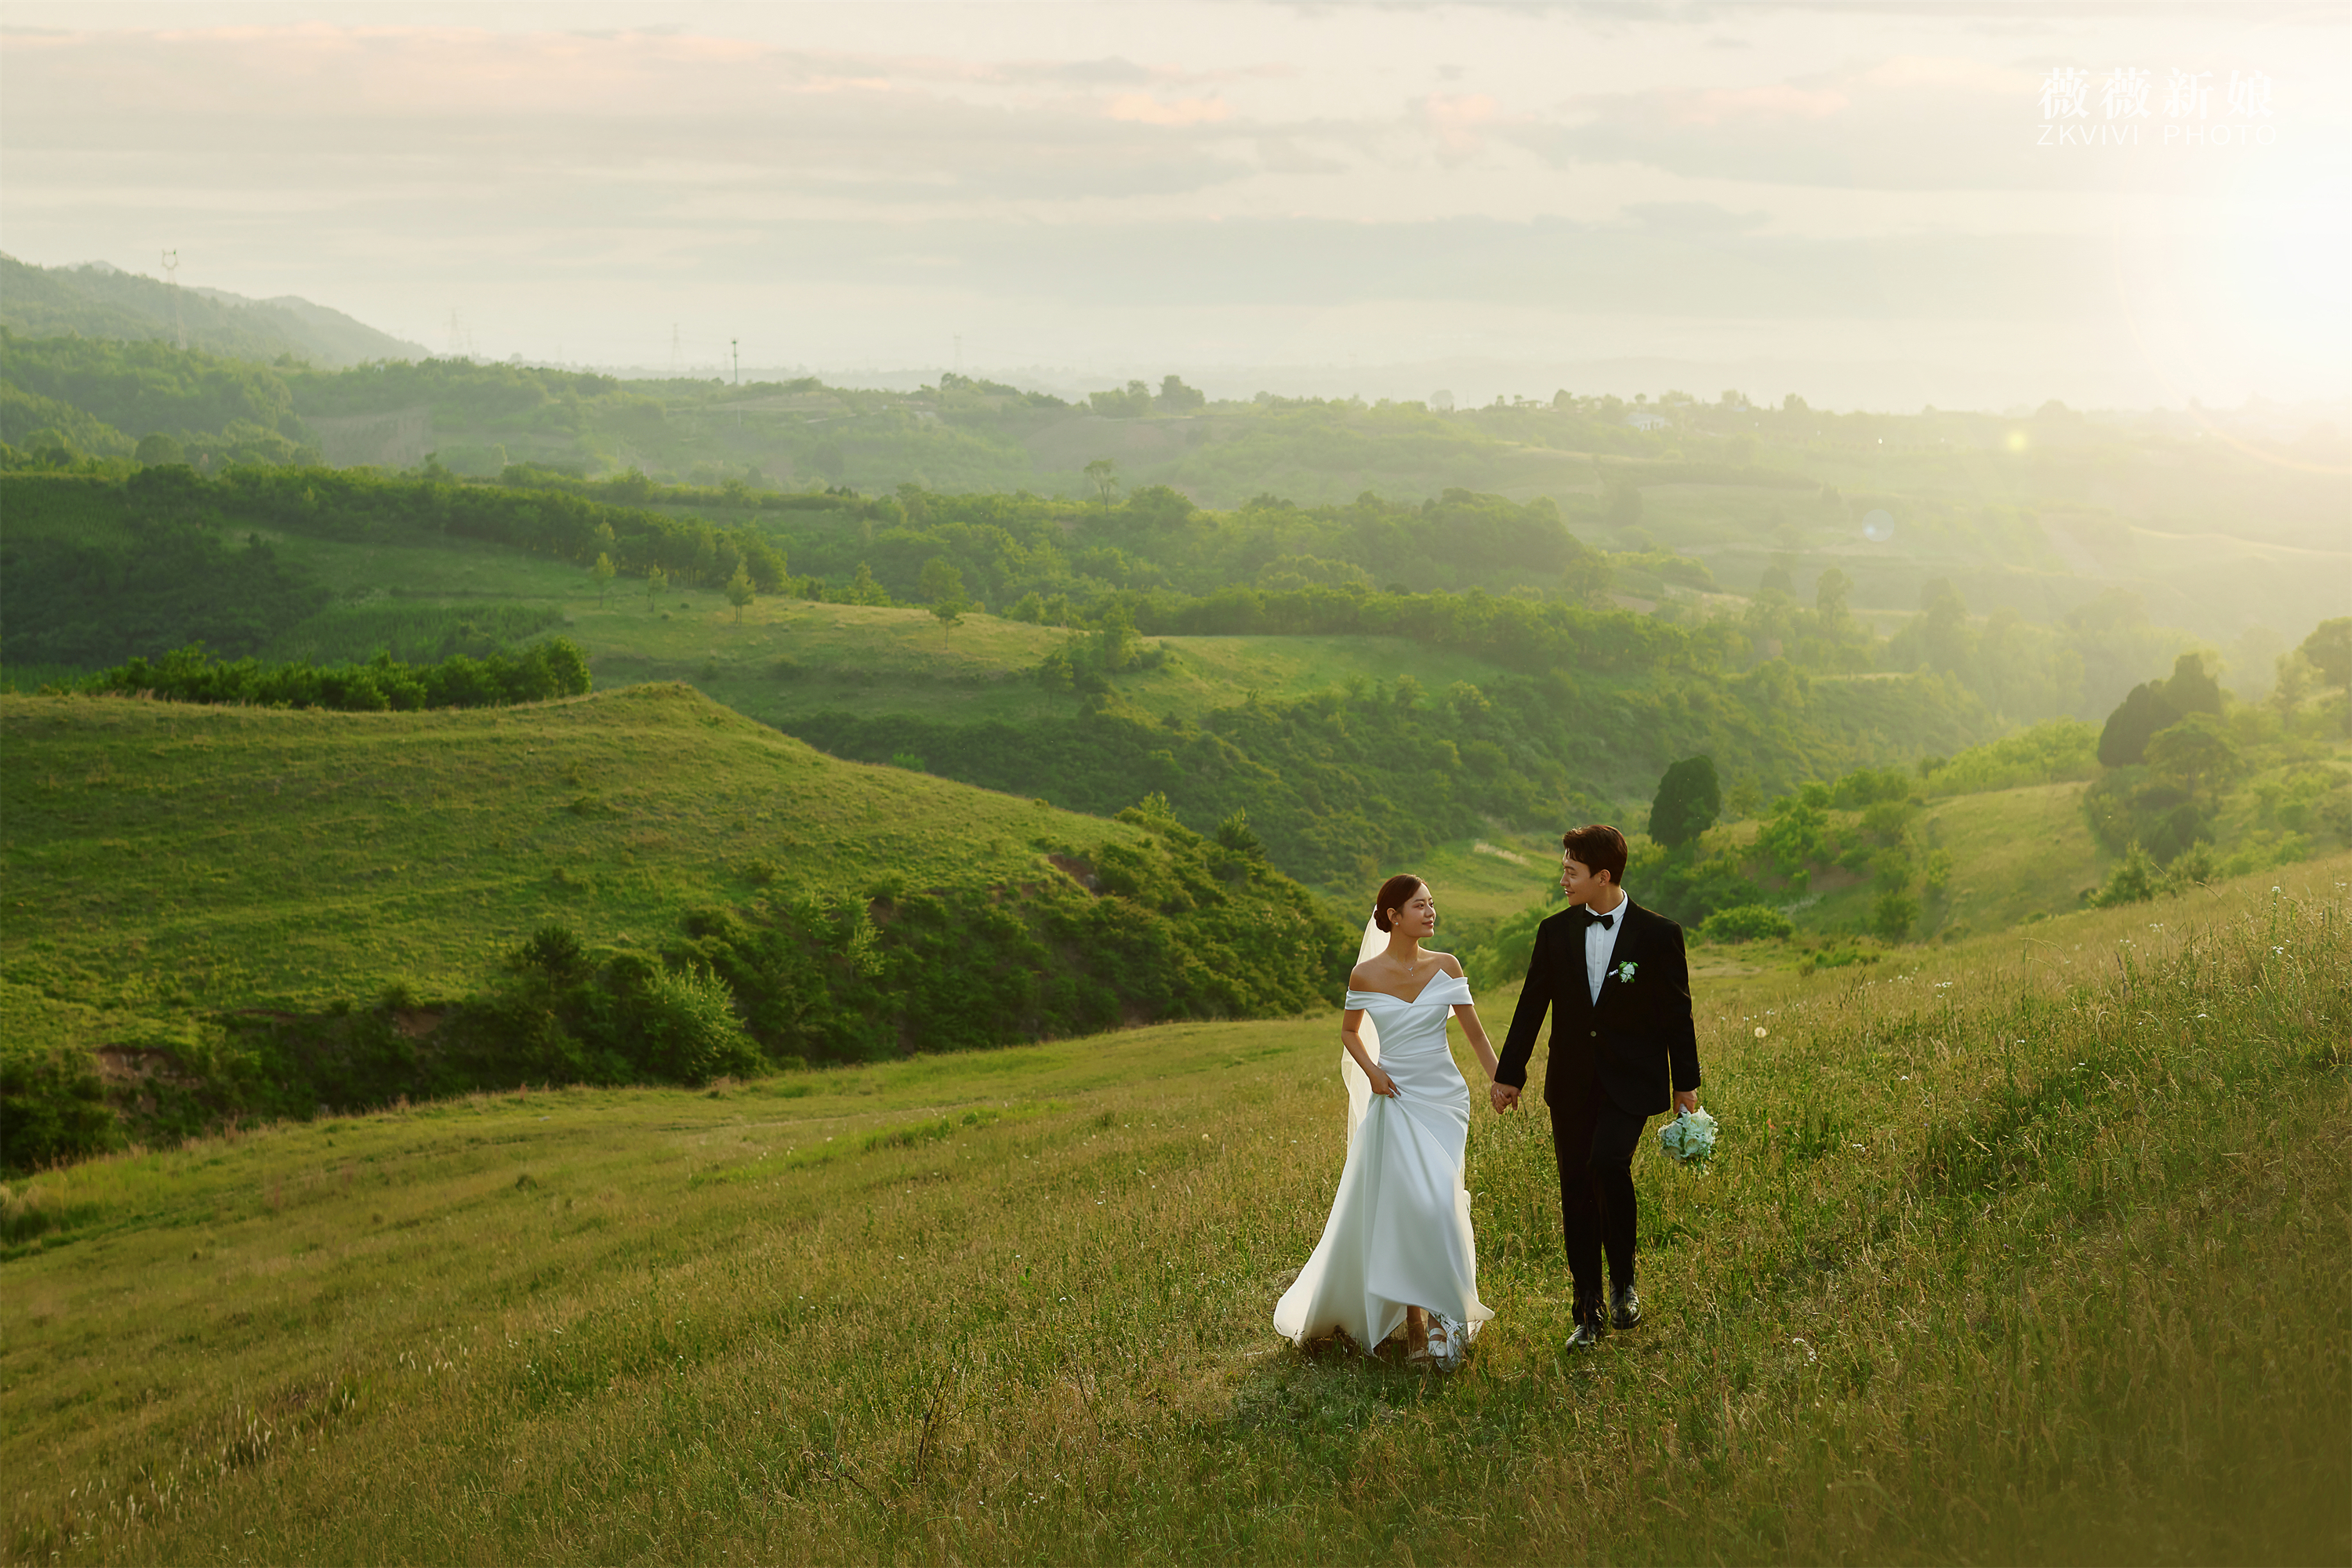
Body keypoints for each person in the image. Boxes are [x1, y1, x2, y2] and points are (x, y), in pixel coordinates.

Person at [1274, 875, 1502, 1367]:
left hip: (1444, 1101)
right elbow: (1349, 1033)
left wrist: (1500, 1080)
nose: (1431, 912)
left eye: (1433, 904)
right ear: (1393, 916)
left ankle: (1448, 1320)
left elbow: (1477, 1038)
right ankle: (1417, 1323)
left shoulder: (1447, 967)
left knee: (1440, 1204)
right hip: (1395, 1098)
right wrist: (1373, 1071)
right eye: (1420, 906)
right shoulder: (1365, 976)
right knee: (1405, 1210)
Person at [1491, 824, 1701, 1350]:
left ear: (1602, 876)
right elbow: (1531, 1007)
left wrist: (1687, 1085)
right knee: (1576, 1191)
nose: (1562, 879)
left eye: (1571, 871)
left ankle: (1624, 1281)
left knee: (1608, 1163)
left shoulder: (1658, 934)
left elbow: (1678, 1014)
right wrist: (1509, 1076)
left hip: (1632, 1080)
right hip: (1571, 1083)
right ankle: (1587, 1310)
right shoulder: (1553, 933)